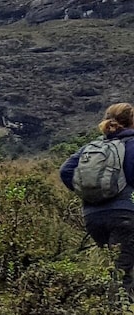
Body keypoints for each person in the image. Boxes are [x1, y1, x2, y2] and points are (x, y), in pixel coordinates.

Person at [61, 103, 134, 296]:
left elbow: (66, 171)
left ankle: (105, 311)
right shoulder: (132, 143)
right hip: (125, 216)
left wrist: (89, 194)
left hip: (93, 216)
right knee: (122, 273)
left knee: (114, 267)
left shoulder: (93, 146)